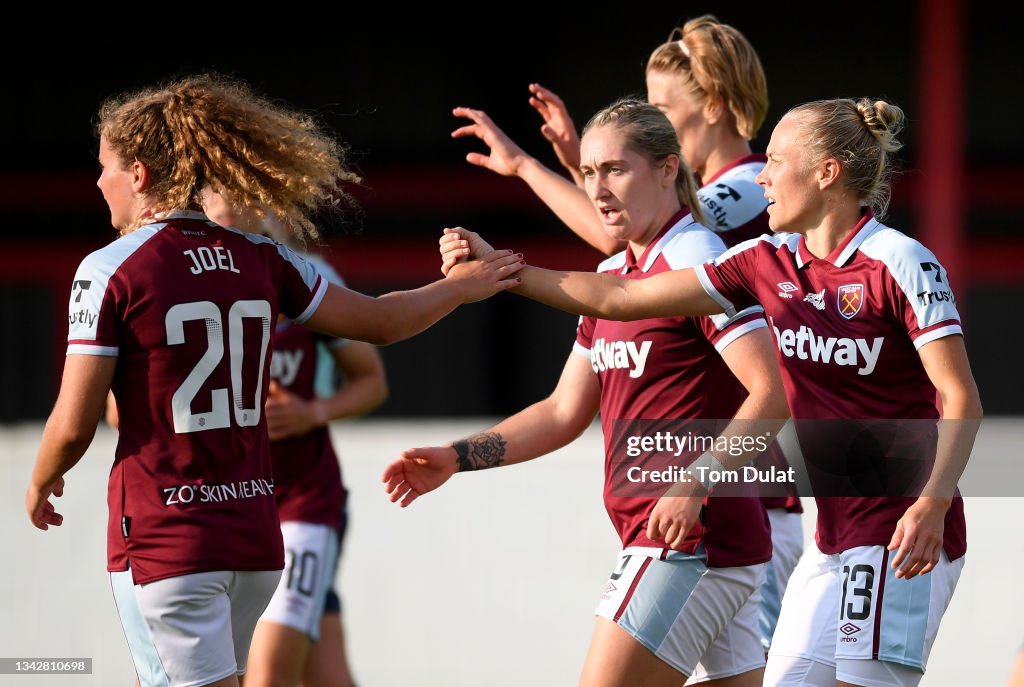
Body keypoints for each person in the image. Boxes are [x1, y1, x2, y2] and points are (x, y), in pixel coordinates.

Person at [443, 97, 983, 687]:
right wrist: (499, 268)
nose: (763, 178)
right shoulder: (764, 260)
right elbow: (617, 299)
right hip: (832, 543)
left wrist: (932, 503)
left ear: (827, 173)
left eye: (776, 161)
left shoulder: (900, 260)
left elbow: (961, 400)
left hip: (900, 534)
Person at [25, 74, 522, 687]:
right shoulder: (266, 258)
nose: (98, 182)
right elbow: (384, 321)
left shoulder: (109, 269)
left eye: (104, 167)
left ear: (140, 175)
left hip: (169, 539)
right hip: (254, 539)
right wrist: (459, 288)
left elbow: (74, 426)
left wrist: (42, 478)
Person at [385, 99, 790, 687]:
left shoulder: (694, 256)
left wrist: (696, 482)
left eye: (615, 170)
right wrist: (458, 455)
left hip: (688, 540)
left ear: (668, 169)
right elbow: (563, 411)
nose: (598, 188)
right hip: (697, 543)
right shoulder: (611, 275)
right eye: (590, 171)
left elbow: (773, 390)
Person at [451, 14, 803, 651]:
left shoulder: (742, 194)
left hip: (736, 491)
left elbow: (621, 266)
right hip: (709, 498)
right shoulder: (659, 240)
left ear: (713, 110)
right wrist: (573, 163)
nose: (656, 118)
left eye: (663, 109)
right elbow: (621, 261)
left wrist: (533, 173)